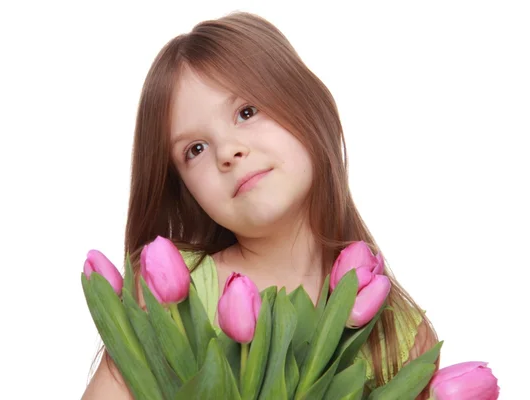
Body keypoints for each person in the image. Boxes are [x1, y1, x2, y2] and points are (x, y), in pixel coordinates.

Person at [81, 11, 439, 400]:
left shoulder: (400, 335)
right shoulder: (167, 298)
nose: (228, 152)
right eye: (195, 149)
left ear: (308, 104)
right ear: (184, 188)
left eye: (246, 112)